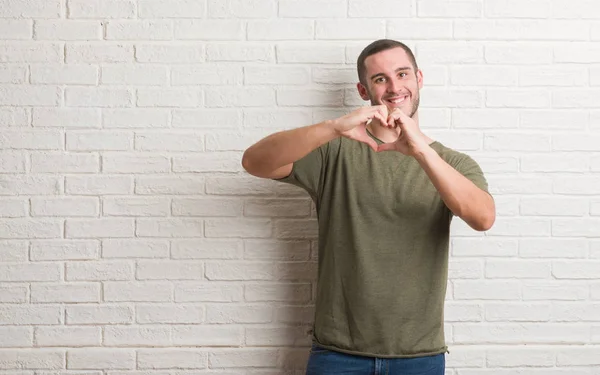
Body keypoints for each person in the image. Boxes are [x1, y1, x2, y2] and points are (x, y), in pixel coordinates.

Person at [241, 39, 496, 375]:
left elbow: (483, 218)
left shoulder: (452, 163)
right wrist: (333, 127)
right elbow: (255, 162)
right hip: (337, 354)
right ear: (364, 90)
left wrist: (421, 151)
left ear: (419, 78)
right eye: (380, 79)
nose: (394, 87)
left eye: (402, 74)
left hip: (418, 355)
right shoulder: (335, 151)